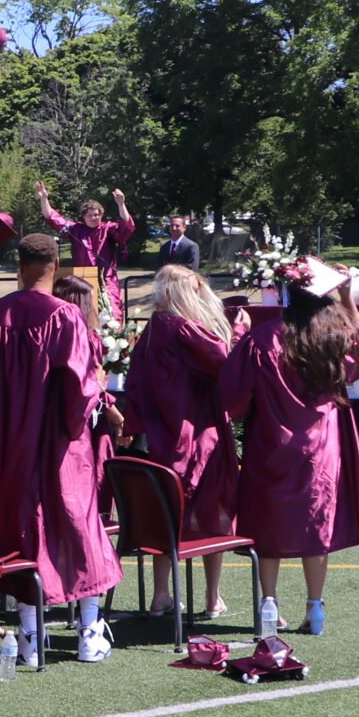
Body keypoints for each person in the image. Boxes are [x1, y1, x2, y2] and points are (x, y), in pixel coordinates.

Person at [0, 232, 121, 664]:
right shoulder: (66, 316)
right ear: (56, 266)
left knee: (23, 532)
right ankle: (89, 635)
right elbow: (79, 388)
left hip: (8, 443)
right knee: (78, 527)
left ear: (18, 266)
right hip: (59, 443)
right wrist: (76, 423)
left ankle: (30, 639)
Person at [219, 262, 359, 635]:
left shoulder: (263, 339)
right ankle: (315, 607)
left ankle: (269, 604)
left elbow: (234, 399)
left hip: (271, 440)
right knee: (316, 522)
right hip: (323, 443)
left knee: (265, 522)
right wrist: (346, 296)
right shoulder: (333, 336)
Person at [120, 264, 238, 617]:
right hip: (199, 433)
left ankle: (161, 595)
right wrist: (240, 329)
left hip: (160, 438)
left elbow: (134, 387)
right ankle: (212, 596)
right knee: (213, 513)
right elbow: (222, 362)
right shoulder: (187, 329)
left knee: (166, 516)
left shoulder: (152, 330)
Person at [38, 182, 136, 322]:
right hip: (82, 281)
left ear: (101, 215)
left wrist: (121, 204)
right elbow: (53, 218)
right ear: (84, 216)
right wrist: (44, 199)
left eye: (96, 214)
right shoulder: (76, 229)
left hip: (107, 282)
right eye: (89, 215)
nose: (93, 217)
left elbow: (126, 226)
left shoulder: (108, 228)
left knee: (112, 316)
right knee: (82, 317)